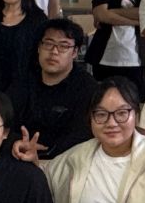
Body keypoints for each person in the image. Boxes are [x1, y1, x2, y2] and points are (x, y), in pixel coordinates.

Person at [8, 18, 97, 159]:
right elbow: (4, 121)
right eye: (48, 44)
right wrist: (18, 142)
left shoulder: (87, 87)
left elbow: (82, 134)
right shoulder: (23, 81)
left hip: (67, 160)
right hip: (20, 156)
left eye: (63, 46)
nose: (54, 51)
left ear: (75, 52)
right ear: (39, 47)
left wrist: (45, 153)